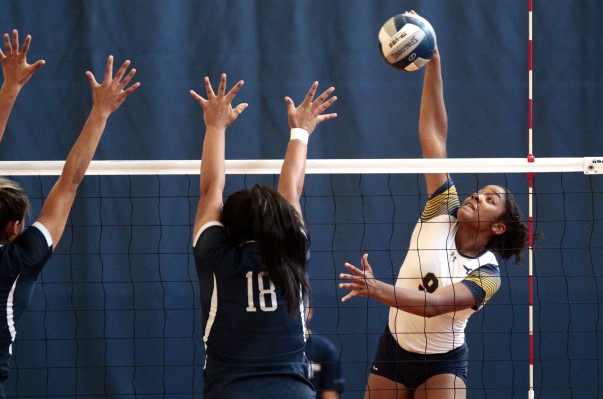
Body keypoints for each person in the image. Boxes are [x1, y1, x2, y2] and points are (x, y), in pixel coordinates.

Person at [338, 12, 530, 399]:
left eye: (490, 200)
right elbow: (433, 136)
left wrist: (377, 289)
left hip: (442, 364)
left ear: (498, 227)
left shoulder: (486, 275)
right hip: (393, 351)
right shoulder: (443, 208)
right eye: (480, 191)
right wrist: (435, 59)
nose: (476, 196)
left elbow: (434, 306)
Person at [0, 30, 140, 398]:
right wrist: (101, 112)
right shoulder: (19, 259)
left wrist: (9, 87)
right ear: (16, 228)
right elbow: (70, 181)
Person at [190, 74, 337, 399]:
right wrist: (300, 131)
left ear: (228, 228)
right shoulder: (294, 250)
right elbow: (291, 191)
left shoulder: (217, 255)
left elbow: (210, 189)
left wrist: (215, 126)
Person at [304, 304, 345, 399]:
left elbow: (330, 394)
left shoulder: (325, 349)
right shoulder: (273, 347)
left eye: (301, 305)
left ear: (310, 312)